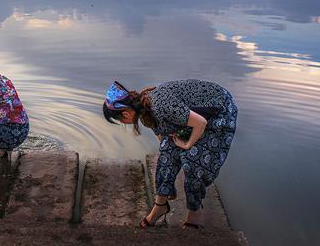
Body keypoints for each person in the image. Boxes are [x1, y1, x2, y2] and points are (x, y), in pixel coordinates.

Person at [102, 79, 238, 229]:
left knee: (194, 162)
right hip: (195, 116)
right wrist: (167, 182)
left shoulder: (161, 106)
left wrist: (187, 144)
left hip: (219, 111)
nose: (122, 123)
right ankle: (160, 205)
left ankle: (194, 212)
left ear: (126, 113)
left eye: (120, 120)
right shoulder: (145, 110)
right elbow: (162, 138)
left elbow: (200, 123)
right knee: (166, 153)